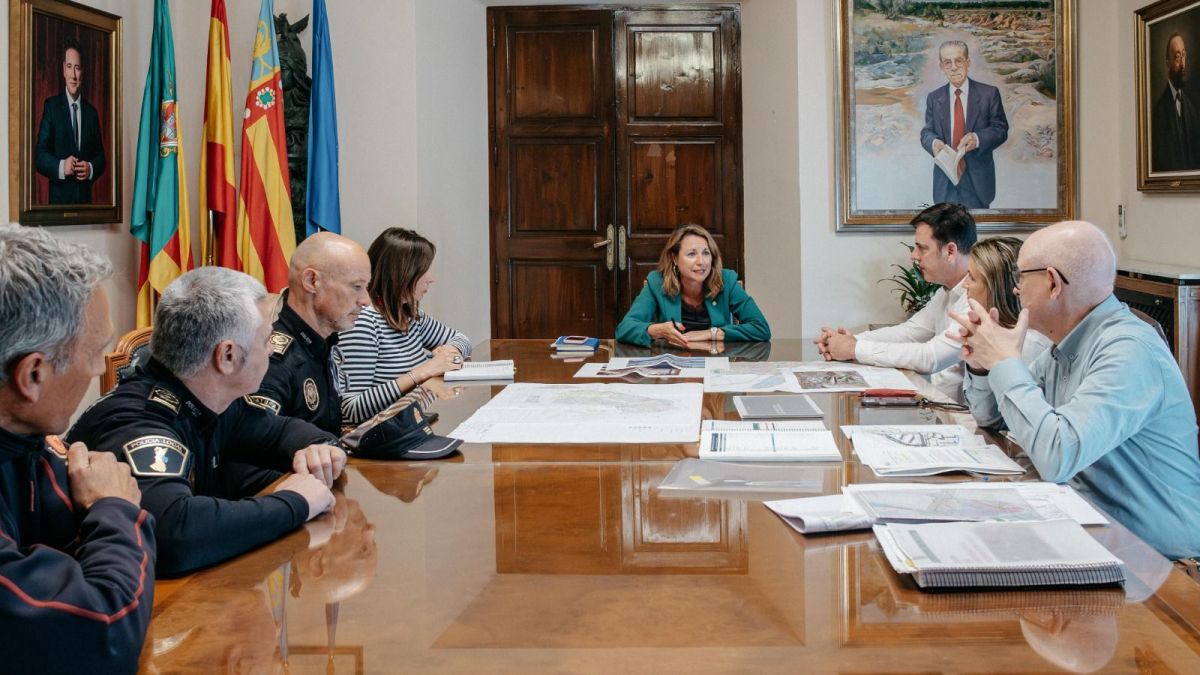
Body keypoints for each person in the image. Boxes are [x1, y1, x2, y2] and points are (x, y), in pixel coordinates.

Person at [948, 220, 1200, 563]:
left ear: (1052, 283)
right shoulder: (1066, 344)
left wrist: (1006, 363)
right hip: (1091, 531)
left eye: (1021, 277)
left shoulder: (1128, 349)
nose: (1016, 289)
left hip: (1157, 565)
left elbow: (1057, 456)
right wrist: (982, 363)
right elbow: (991, 417)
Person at [67, 267, 345, 576]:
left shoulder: (209, 401)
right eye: (266, 339)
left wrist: (319, 447)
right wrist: (295, 502)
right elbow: (177, 535)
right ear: (226, 356)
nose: (271, 349)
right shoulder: (137, 422)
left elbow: (277, 431)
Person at [0, 224, 154, 672]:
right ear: (33, 375)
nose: (97, 370)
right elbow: (101, 632)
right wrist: (114, 508)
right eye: (94, 352)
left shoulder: (22, 440)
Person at [815, 203, 975, 402]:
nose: (914, 255)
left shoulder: (977, 297)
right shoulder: (946, 291)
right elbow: (909, 332)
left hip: (972, 423)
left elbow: (931, 357)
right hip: (946, 413)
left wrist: (853, 348)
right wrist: (852, 341)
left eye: (922, 248)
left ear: (950, 251)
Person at [339, 228, 471, 424]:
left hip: (412, 422)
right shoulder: (363, 322)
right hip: (375, 440)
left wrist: (449, 351)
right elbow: (351, 409)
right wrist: (423, 372)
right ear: (402, 273)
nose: (431, 278)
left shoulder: (408, 313)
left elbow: (462, 339)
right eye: (424, 270)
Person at [252, 232, 372, 435]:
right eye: (356, 287)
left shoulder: (323, 345)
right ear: (311, 281)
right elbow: (256, 448)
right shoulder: (274, 360)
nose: (366, 300)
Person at [616, 224, 770, 347]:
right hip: (673, 367)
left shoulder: (726, 281)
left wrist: (712, 333)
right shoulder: (657, 283)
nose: (701, 262)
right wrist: (658, 330)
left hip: (717, 365)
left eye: (706, 253)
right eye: (691, 254)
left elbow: (760, 328)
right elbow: (624, 329)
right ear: (674, 258)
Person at [919, 40, 1009, 209]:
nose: (953, 67)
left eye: (958, 61)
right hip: (945, 181)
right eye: (948, 62)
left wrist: (977, 138)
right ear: (942, 67)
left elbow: (1001, 129)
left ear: (968, 63)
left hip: (978, 182)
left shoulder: (989, 94)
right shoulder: (934, 97)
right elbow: (927, 131)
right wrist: (933, 143)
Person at [34, 37, 106, 204]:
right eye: (69, 67)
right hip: (58, 211)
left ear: (83, 72)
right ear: (63, 70)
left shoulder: (92, 113)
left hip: (85, 209)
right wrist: (61, 166)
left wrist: (90, 168)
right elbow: (40, 157)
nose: (73, 75)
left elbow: (101, 157)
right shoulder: (51, 107)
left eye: (77, 68)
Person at [963, 236, 1052, 365]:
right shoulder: (989, 333)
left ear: (996, 288)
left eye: (971, 277)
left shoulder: (1028, 345)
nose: (964, 284)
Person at [1151, 33, 1200, 172]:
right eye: (1178, 57)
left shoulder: (1192, 110)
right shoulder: (1158, 112)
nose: (1183, 64)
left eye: (1184, 55)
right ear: (1168, 63)